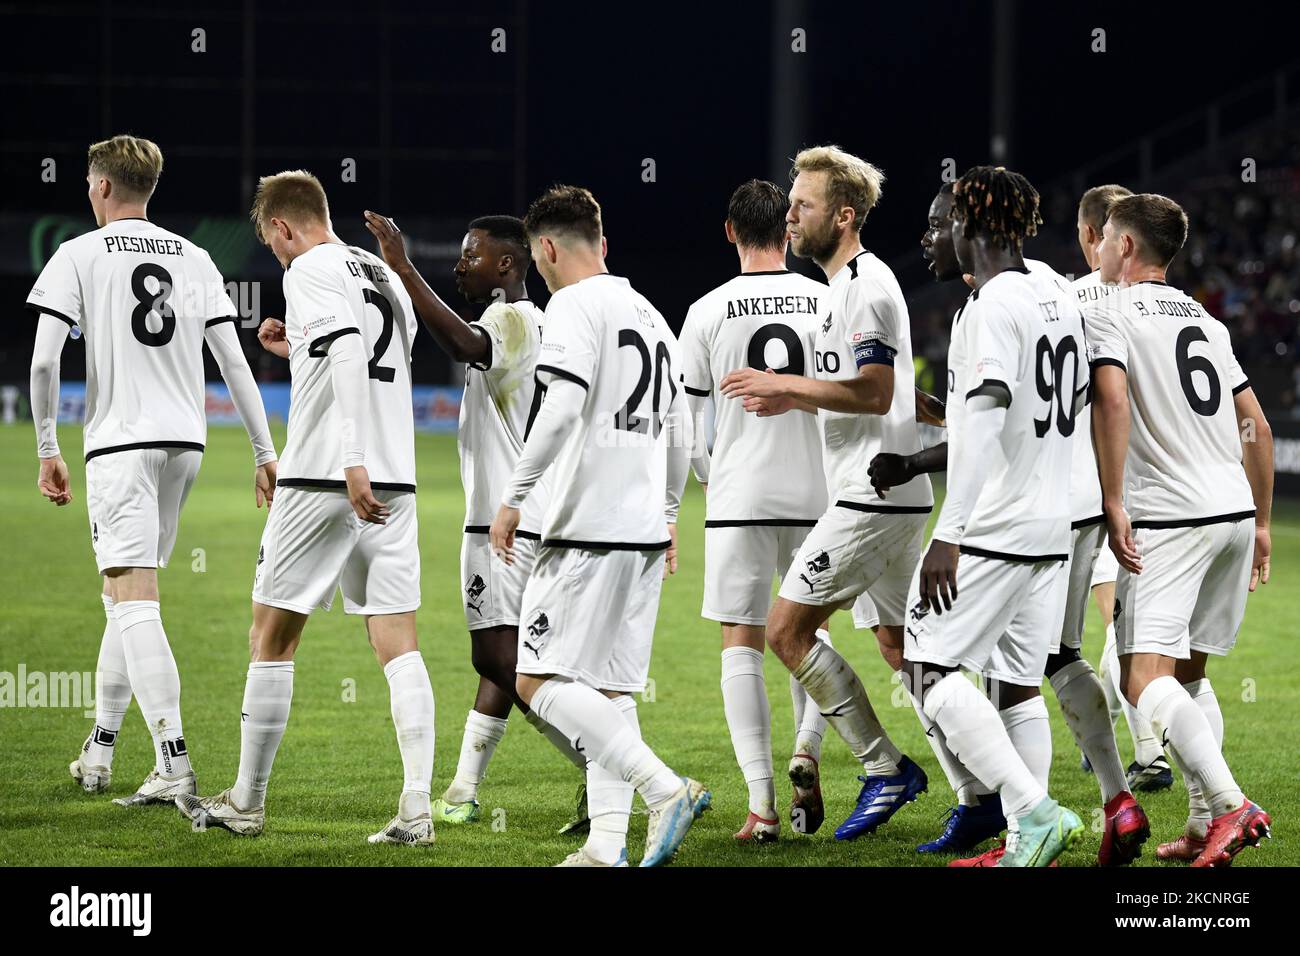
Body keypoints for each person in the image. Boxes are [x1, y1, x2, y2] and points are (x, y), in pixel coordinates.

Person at [176, 171, 436, 846]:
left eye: (270, 240)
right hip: (397, 480)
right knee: (397, 641)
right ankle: (416, 809)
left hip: (329, 477)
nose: (274, 253)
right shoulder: (382, 275)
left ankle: (247, 803)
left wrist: (348, 458)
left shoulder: (310, 269)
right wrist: (296, 351)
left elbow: (350, 350)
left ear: (285, 226)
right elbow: (376, 364)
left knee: (271, 635)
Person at [28, 134, 276, 806]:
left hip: (121, 444)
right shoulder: (194, 257)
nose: (87, 189)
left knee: (134, 596)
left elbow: (47, 361)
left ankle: (173, 761)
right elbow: (233, 361)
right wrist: (264, 452)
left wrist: (48, 444)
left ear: (103, 187)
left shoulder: (78, 253)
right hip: (184, 445)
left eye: (87, 181)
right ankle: (101, 750)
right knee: (123, 595)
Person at [489, 185, 707, 867]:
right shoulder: (652, 315)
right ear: (602, 244)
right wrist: (670, 516)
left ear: (546, 249)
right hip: (641, 528)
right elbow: (683, 432)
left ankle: (663, 787)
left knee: (535, 680)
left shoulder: (573, 306)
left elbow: (561, 408)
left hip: (586, 527)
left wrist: (515, 495)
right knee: (610, 692)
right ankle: (606, 844)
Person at [720, 145, 931, 841]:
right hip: (892, 492)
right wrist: (804, 401)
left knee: (784, 631)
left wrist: (784, 385)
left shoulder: (864, 286)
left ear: (843, 215)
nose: (790, 215)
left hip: (871, 494)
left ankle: (883, 768)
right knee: (904, 647)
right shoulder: (846, 288)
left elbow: (872, 392)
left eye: (803, 205)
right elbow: (884, 388)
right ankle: (983, 787)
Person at [363, 210, 587, 830]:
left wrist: (402, 265)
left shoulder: (506, 317)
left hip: (503, 526)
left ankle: (615, 769)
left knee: (502, 662)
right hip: (537, 519)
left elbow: (463, 344)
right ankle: (463, 789)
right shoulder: (541, 321)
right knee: (512, 660)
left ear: (508, 266)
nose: (461, 265)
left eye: (472, 256)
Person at [900, 165, 1085, 867]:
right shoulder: (1056, 290)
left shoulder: (990, 306)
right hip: (1052, 521)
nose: (929, 239)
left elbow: (984, 420)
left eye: (938, 223)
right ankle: (1024, 842)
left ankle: (1032, 813)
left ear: (971, 226)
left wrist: (948, 534)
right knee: (1015, 686)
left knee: (928, 670)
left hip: (995, 524)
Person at [1088, 193, 1273, 867]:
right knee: (1189, 676)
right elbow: (1259, 425)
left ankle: (1230, 804)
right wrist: (1259, 522)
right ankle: (1201, 825)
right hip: (1228, 513)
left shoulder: (1110, 311)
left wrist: (1112, 499)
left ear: (1128, 247)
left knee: (1141, 678)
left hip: (1169, 518)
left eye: (1106, 238)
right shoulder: (1205, 319)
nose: (1101, 249)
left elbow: (1109, 398)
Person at [678, 178, 845, 842]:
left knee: (740, 645)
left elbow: (687, 426)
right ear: (790, 230)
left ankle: (763, 807)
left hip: (740, 496)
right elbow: (851, 396)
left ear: (729, 231)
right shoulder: (827, 300)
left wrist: (715, 481)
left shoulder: (706, 309)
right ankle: (808, 747)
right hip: (818, 497)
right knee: (811, 634)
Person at [1073, 185, 1173, 792]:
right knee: (1146, 634)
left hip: (1093, 490)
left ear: (1097, 237)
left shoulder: (1075, 296)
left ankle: (1143, 750)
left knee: (1108, 629)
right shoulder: (1174, 306)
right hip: (1164, 493)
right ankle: (1138, 746)